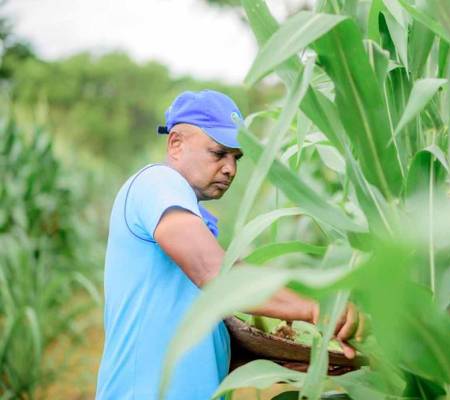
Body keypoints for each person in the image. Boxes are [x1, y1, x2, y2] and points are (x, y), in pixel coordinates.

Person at [95, 90, 362, 399]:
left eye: (236, 157)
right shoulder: (157, 183)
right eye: (218, 153)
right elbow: (215, 273)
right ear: (176, 144)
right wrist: (315, 309)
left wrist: (275, 352)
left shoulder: (190, 218)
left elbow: (198, 313)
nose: (230, 169)